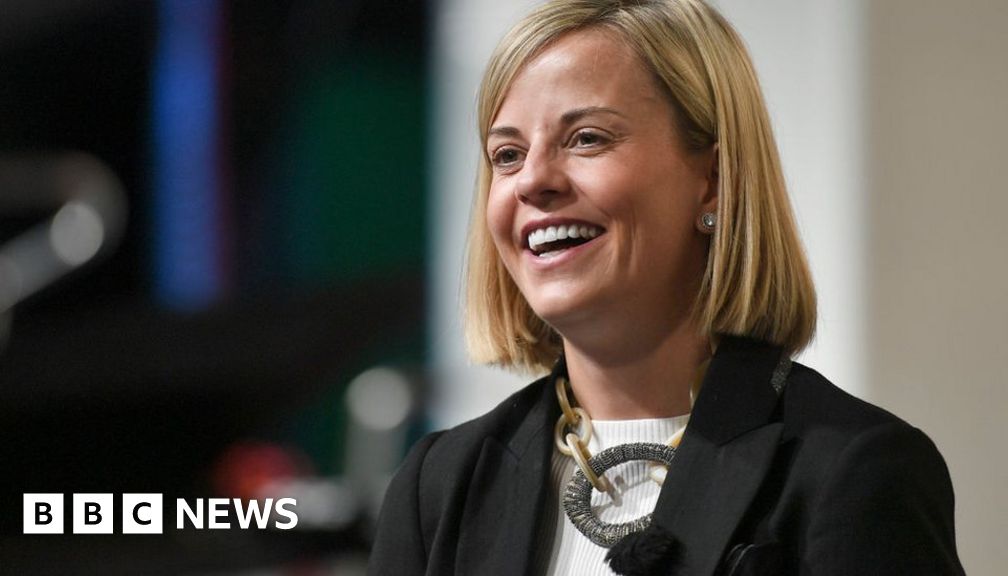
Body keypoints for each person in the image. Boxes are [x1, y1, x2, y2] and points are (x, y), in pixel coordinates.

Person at [369, 0, 965, 574]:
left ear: (713, 180)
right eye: (507, 154)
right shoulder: (438, 487)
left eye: (587, 138)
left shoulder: (854, 471)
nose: (532, 181)